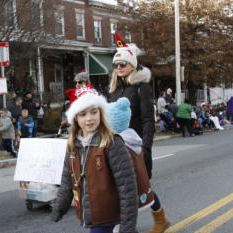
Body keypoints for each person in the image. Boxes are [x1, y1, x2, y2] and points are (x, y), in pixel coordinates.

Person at [51, 90, 138, 233]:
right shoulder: (73, 144)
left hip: (107, 215)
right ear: (75, 118)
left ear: (101, 113)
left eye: (94, 112)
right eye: (83, 114)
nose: (89, 118)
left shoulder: (112, 142)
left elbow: (127, 188)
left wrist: (127, 226)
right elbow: (67, 180)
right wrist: (59, 208)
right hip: (89, 214)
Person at [108, 32, 170, 233]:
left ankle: (160, 219)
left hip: (136, 147)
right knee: (122, 189)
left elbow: (147, 121)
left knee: (142, 188)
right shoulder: (115, 89)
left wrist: (145, 148)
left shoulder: (142, 88)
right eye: (116, 65)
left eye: (123, 64)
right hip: (117, 146)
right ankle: (126, 227)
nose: (119, 68)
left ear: (132, 65)